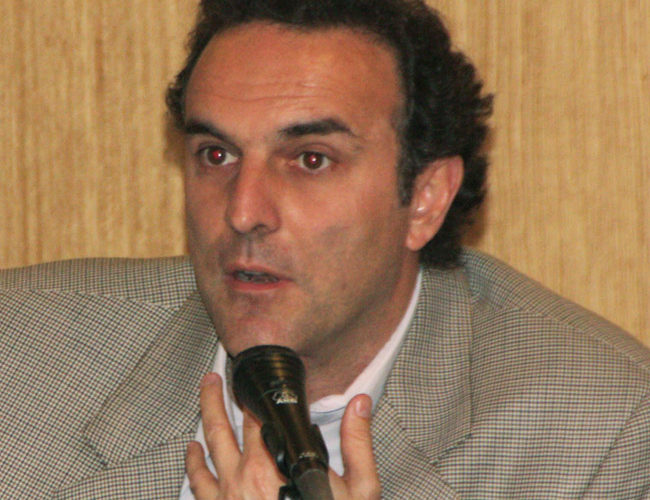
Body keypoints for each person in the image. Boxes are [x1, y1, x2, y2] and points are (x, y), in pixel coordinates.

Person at [1, 0, 649, 498]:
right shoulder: (22, 354)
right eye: (216, 155)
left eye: (310, 159)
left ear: (425, 198)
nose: (243, 212)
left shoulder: (599, 434)